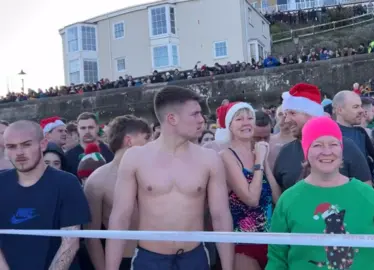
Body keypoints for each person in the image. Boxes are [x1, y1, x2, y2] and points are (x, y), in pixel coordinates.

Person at [106, 86, 234, 270]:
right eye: (195, 114)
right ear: (172, 118)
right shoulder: (136, 158)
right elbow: (119, 218)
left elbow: (221, 217)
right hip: (150, 260)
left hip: (194, 258)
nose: (201, 120)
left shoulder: (209, 159)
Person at [266, 117, 374, 270]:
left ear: (341, 149)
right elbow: (277, 258)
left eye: (333, 144)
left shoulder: (366, 194)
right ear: (306, 151)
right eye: (317, 145)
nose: (326, 152)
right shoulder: (289, 199)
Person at [0, 120, 91, 269]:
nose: (19, 152)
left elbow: (70, 243)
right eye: (11, 147)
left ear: (43, 144)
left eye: (26, 144)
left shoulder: (67, 183)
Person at [274, 83, 372, 190]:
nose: (287, 120)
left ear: (312, 114)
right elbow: (281, 198)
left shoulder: (346, 147)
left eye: (292, 113)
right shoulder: (285, 152)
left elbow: (366, 192)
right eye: (286, 114)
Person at [219, 102, 282, 270]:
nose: (246, 122)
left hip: (270, 242)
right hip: (244, 244)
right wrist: (260, 162)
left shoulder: (258, 152)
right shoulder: (226, 156)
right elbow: (251, 199)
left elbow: (278, 199)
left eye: (250, 118)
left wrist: (264, 163)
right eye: (239, 119)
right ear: (229, 126)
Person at [85, 115, 151, 270]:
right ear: (129, 141)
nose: (152, 144)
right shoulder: (97, 180)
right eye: (147, 138)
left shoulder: (155, 174)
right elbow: (92, 237)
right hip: (123, 260)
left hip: (159, 257)